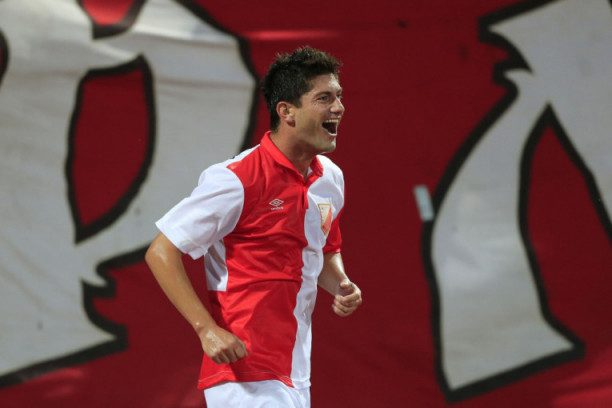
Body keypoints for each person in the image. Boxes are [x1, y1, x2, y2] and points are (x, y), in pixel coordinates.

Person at [145, 46, 362, 408]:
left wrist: (341, 283)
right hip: (244, 374)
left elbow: (323, 251)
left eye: (338, 96)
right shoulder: (236, 180)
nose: (338, 107)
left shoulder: (330, 179)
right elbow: (161, 251)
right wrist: (206, 329)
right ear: (286, 111)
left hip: (295, 372)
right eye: (324, 98)